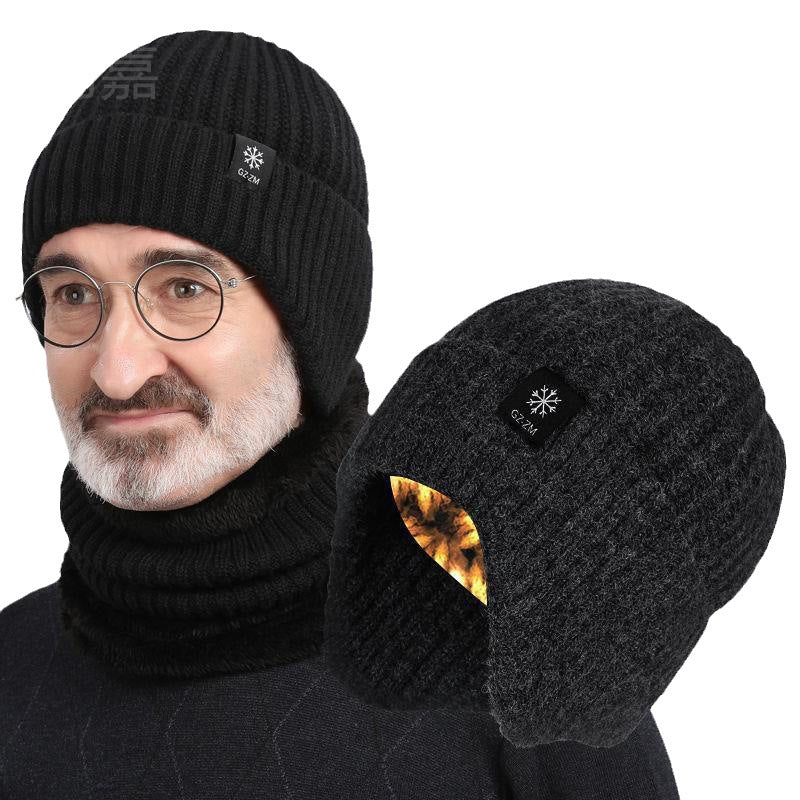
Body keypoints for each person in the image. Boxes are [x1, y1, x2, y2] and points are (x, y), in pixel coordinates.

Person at [0, 30, 681, 798]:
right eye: (73, 294)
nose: (117, 371)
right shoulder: (11, 674)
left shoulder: (519, 660)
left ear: (312, 324)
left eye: (185, 289)